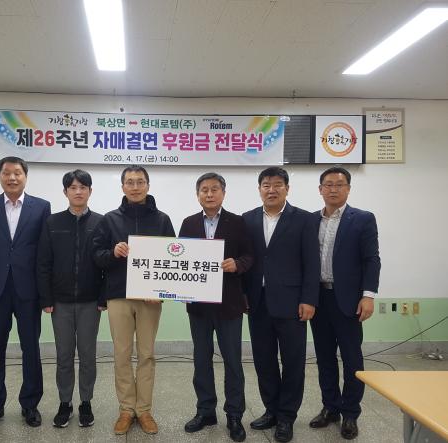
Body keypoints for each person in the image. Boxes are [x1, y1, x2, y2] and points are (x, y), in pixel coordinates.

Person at [91, 165, 175, 436]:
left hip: (150, 297)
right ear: (123, 187)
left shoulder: (162, 220)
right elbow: (96, 255)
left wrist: (162, 291)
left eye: (140, 182)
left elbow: (173, 258)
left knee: (147, 354)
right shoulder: (110, 219)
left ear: (148, 185)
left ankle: (144, 410)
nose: (135, 187)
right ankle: (126, 409)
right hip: (119, 295)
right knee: (122, 354)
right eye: (130, 182)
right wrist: (113, 252)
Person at [0, 156, 50, 430]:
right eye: (7, 173)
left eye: (17, 173)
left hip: (29, 289)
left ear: (25, 176)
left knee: (31, 349)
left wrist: (45, 290)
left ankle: (30, 404)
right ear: (0, 176)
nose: (12, 177)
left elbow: (44, 251)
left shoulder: (41, 207)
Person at [242, 166, 320, 443]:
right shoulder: (247, 219)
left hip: (292, 304)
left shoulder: (304, 219)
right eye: (266, 185)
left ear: (287, 188)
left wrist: (309, 299)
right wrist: (243, 295)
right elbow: (245, 260)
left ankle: (287, 416)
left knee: (293, 362)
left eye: (277, 184)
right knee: (263, 361)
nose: (271, 190)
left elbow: (312, 263)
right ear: (259, 189)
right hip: (257, 302)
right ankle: (271, 410)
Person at [179, 173, 253, 442]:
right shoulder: (188, 223)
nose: (209, 194)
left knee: (232, 361)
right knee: (201, 359)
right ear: (197, 194)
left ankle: (234, 414)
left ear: (223, 192)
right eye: (204, 190)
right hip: (198, 305)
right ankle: (205, 411)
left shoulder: (238, 222)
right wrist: (179, 288)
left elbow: (249, 255)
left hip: (229, 303)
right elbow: (180, 258)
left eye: (214, 189)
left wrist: (238, 264)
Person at [308, 167, 381, 440]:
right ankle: (330, 407)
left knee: (352, 358)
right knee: (324, 357)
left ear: (348, 189)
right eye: (328, 184)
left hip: (349, 300)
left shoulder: (362, 219)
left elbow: (371, 259)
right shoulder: (310, 220)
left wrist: (368, 295)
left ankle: (351, 412)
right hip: (318, 299)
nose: (333, 189)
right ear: (320, 189)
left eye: (339, 184)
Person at [37, 169, 104, 428]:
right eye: (73, 187)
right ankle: (65, 403)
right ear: (65, 192)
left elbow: (107, 265)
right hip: (60, 302)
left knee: (88, 355)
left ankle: (86, 402)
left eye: (83, 187)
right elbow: (43, 263)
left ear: (90, 191)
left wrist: (103, 297)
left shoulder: (101, 222)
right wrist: (46, 298)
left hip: (90, 302)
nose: (78, 191)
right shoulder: (52, 222)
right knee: (64, 355)